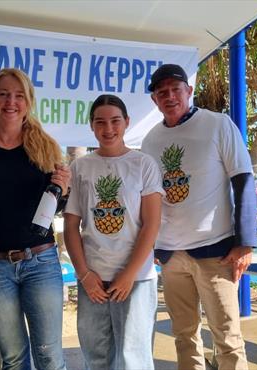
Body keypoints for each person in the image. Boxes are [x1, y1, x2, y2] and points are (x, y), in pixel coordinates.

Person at [141, 64, 257, 370]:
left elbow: (243, 179)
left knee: (228, 338)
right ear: (154, 100)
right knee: (183, 335)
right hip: (169, 254)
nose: (169, 96)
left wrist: (245, 243)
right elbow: (149, 196)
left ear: (189, 91)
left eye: (175, 89)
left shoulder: (218, 124)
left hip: (216, 251)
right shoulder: (151, 140)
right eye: (161, 92)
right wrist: (151, 245)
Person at [0, 68, 70, 370]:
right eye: (4, 94)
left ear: (28, 102)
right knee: (13, 358)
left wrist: (64, 190)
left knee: (49, 355)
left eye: (19, 95)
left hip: (41, 262)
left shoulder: (45, 146)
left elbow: (55, 207)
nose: (11, 101)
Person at [63, 95, 163, 370]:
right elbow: (71, 226)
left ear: (127, 122)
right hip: (93, 280)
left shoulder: (144, 164)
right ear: (92, 126)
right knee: (96, 357)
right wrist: (84, 275)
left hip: (136, 279)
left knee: (134, 360)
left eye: (115, 121)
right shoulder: (81, 167)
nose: (108, 129)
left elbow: (151, 224)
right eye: (100, 122)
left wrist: (129, 274)